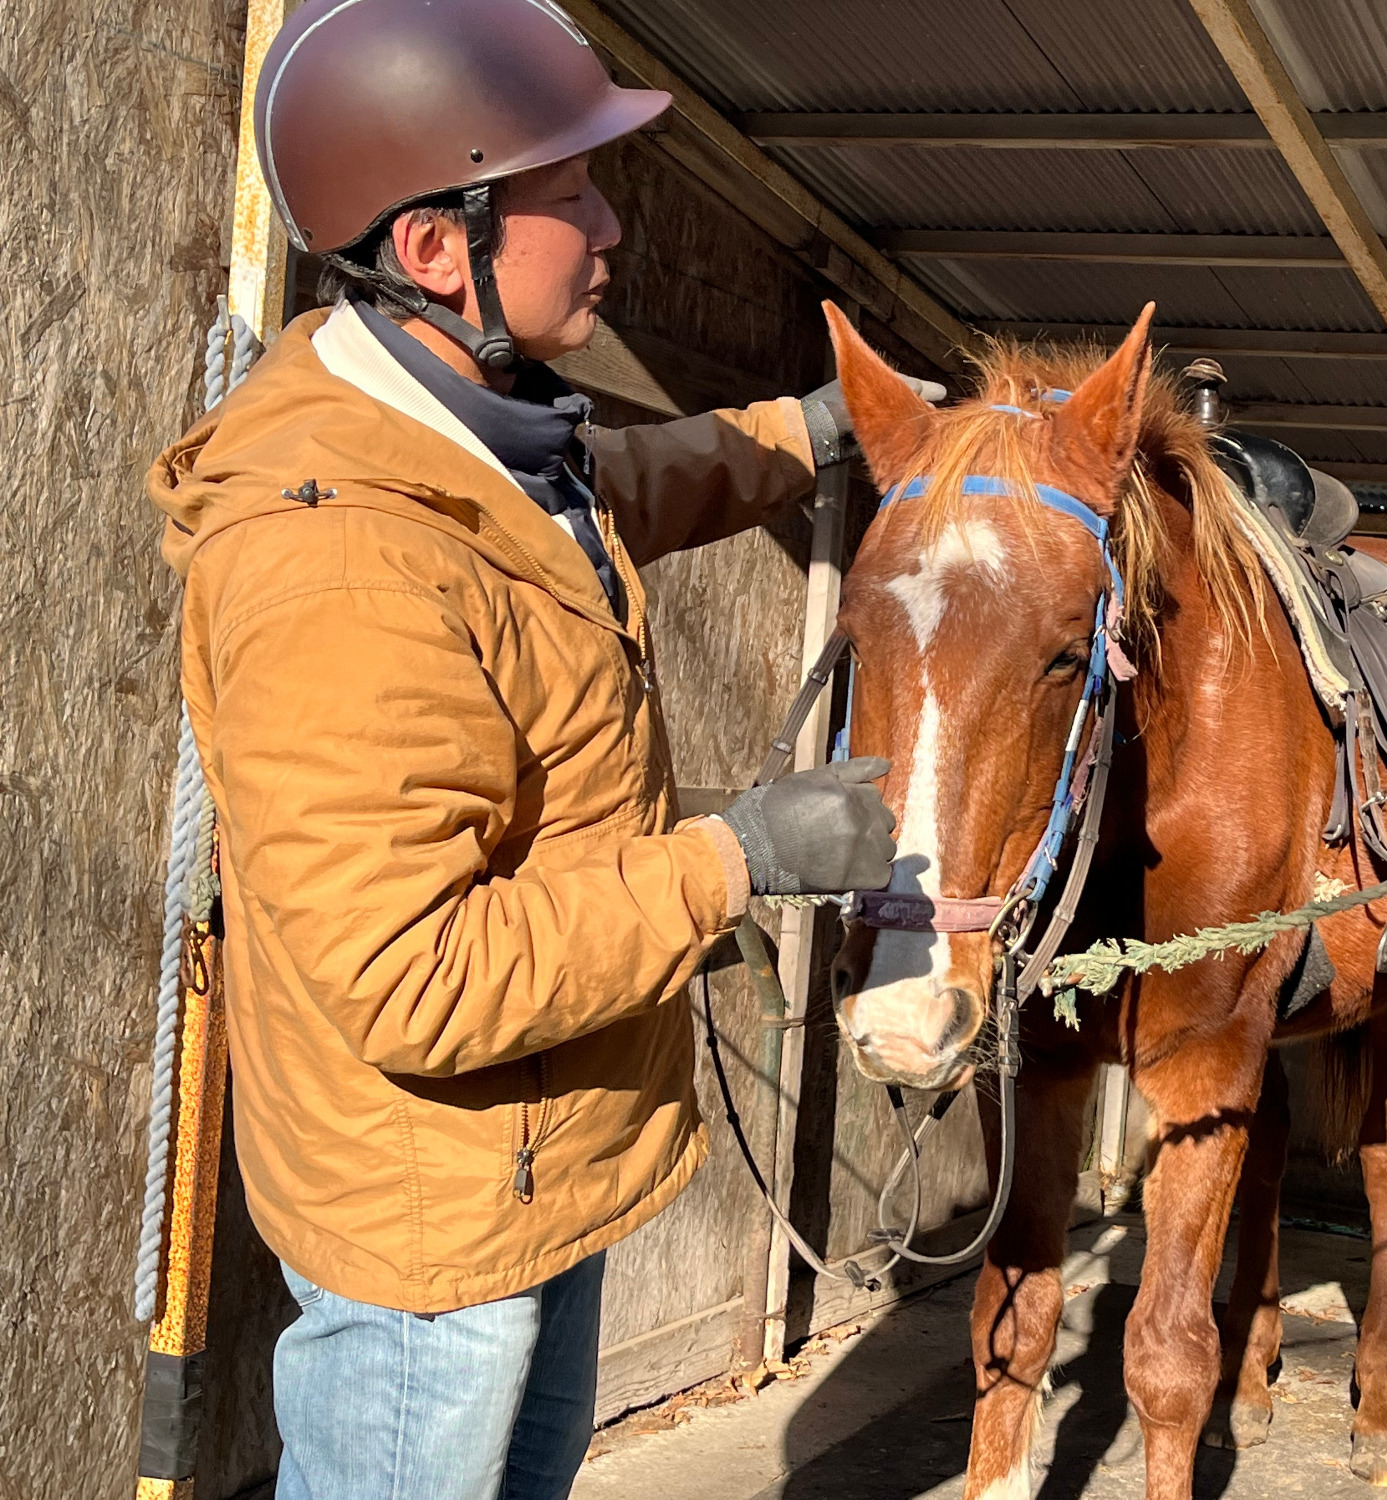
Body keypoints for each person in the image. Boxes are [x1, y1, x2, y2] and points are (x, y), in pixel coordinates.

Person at [146, 1, 933, 1494]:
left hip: (534, 1167)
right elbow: (410, 976)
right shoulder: (343, 563)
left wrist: (819, 430)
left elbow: (615, 489)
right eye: (573, 193)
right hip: (436, 1242)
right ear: (441, 251)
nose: (614, 222)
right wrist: (734, 860)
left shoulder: (474, 446)